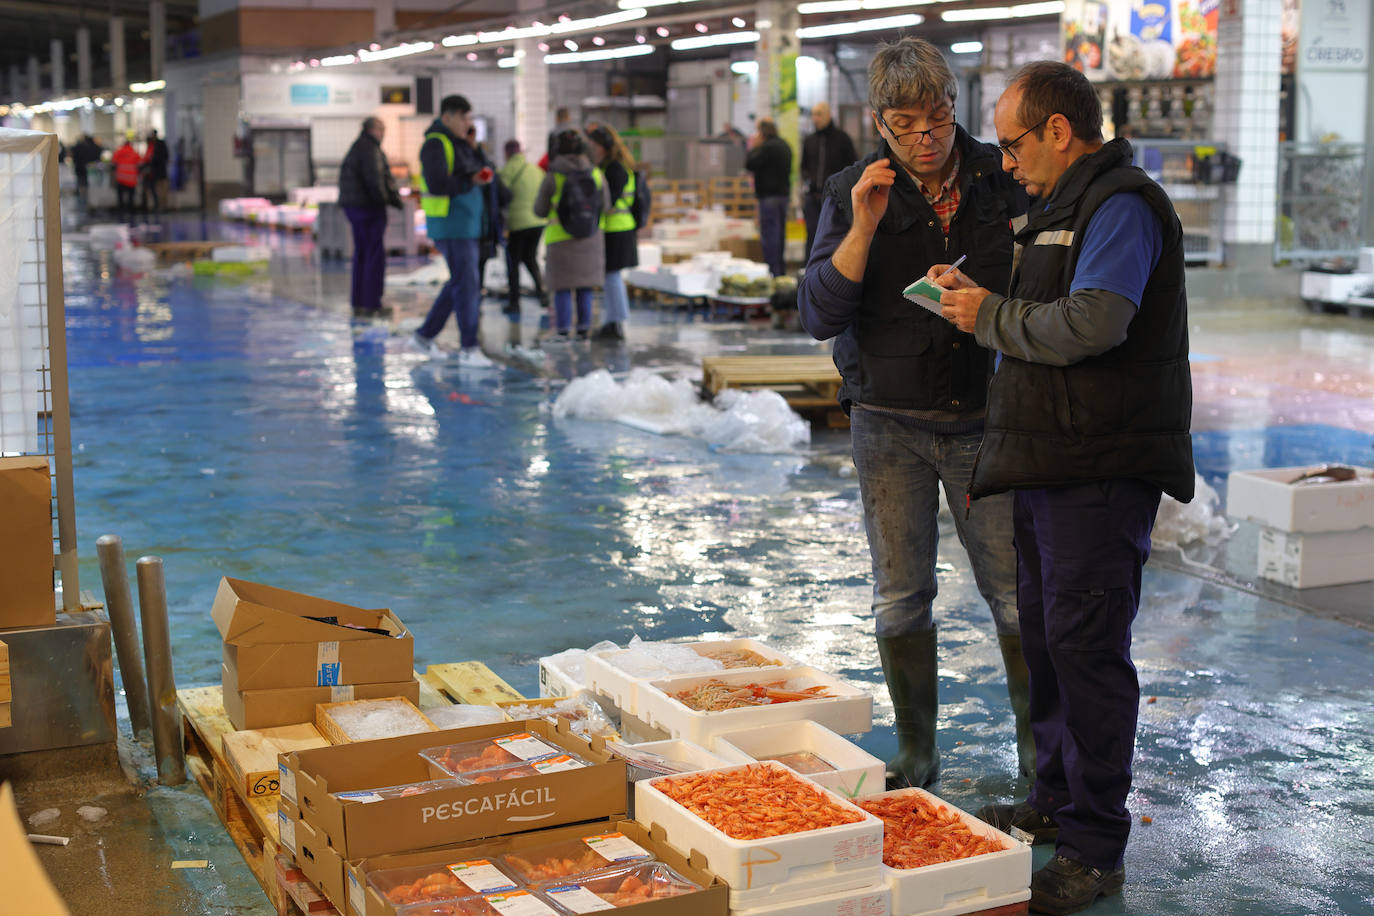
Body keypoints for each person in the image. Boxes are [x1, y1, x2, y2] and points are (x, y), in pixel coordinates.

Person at [932, 61, 1194, 915]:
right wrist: (982, 301)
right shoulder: (1057, 206)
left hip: (1101, 467)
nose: (1002, 162)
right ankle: (1054, 801)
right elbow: (1048, 307)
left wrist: (992, 319)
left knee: (1086, 652)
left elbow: (1096, 322)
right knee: (1046, 639)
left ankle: (1094, 849)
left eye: (1011, 144)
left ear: (1057, 130)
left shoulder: (1119, 204)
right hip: (1051, 461)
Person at [797, 36, 1033, 793]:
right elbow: (818, 312)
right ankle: (917, 752)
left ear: (953, 108)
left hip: (986, 420)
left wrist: (991, 293)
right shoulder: (849, 190)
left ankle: (1042, 761)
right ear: (878, 122)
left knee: (1017, 594)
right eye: (905, 126)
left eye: (937, 121)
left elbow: (1048, 279)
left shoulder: (1005, 178)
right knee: (901, 596)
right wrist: (864, 227)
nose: (926, 141)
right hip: (887, 424)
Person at [414, 94, 495, 367]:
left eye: (469, 118)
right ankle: (469, 347)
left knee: (460, 282)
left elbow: (479, 170)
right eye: (463, 117)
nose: (467, 123)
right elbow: (438, 183)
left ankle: (425, 335)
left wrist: (475, 151)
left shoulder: (461, 144)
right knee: (467, 285)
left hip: (467, 223)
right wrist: (468, 180)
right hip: (452, 223)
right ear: (447, 117)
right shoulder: (436, 144)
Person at [533, 129, 608, 341]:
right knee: (585, 286)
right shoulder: (595, 173)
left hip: (560, 239)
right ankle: (584, 329)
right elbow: (607, 205)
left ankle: (563, 330)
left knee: (562, 287)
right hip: (591, 238)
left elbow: (539, 209)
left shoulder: (553, 176)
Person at [338, 117, 403, 321]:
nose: (383, 134)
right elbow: (375, 180)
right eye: (382, 130)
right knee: (374, 256)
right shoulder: (370, 150)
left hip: (355, 208)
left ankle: (359, 302)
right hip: (369, 209)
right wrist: (389, 200)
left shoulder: (356, 147)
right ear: (374, 130)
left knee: (362, 254)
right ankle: (372, 304)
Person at [585, 123, 639, 341]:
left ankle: (615, 323)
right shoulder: (616, 166)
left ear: (603, 147)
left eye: (593, 145)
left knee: (612, 276)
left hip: (617, 230)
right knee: (611, 277)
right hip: (619, 228)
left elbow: (609, 201)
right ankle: (614, 322)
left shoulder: (614, 169)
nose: (591, 149)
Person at [800, 102, 858, 262]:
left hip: (835, 200)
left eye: (818, 114)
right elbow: (803, 166)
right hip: (813, 197)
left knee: (834, 236)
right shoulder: (809, 140)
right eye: (813, 114)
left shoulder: (842, 139)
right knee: (812, 235)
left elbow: (853, 166)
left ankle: (832, 273)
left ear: (828, 115)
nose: (815, 118)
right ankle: (808, 273)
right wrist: (807, 181)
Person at [498, 140, 548, 319]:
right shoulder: (535, 170)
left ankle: (514, 303)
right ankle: (542, 292)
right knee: (530, 257)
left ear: (506, 153)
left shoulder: (506, 172)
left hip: (517, 224)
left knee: (513, 263)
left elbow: (501, 196)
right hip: (538, 222)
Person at [744, 118, 793, 277]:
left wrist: (754, 146)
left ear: (762, 132)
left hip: (768, 198)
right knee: (780, 237)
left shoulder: (765, 148)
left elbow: (749, 164)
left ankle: (772, 274)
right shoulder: (785, 146)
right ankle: (781, 274)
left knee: (770, 238)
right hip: (783, 197)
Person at [111, 133, 142, 221]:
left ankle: (121, 210)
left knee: (120, 195)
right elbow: (139, 164)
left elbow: (114, 163)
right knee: (131, 196)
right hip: (131, 178)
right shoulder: (134, 152)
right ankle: (131, 210)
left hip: (121, 178)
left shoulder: (119, 151)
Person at [142, 129, 170, 212]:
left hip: (160, 171)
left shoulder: (159, 144)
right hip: (154, 172)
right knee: (156, 190)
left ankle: (163, 206)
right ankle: (157, 206)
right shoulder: (151, 145)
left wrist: (155, 161)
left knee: (162, 190)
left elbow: (163, 157)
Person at [71, 134, 101, 203]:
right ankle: (86, 195)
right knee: (86, 182)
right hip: (88, 168)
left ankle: (82, 195)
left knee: (80, 181)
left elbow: (73, 156)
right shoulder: (91, 147)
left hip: (79, 167)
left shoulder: (78, 147)